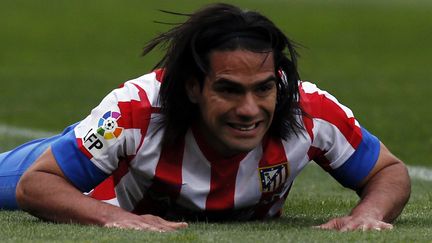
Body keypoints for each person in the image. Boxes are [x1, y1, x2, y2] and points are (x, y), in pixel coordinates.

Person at [0, 3, 410, 232]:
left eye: (263, 88)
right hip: (94, 176)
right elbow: (37, 183)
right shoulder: (136, 111)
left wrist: (366, 216)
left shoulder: (309, 110)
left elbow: (388, 171)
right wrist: (115, 217)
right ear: (193, 87)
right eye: (229, 90)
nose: (249, 109)